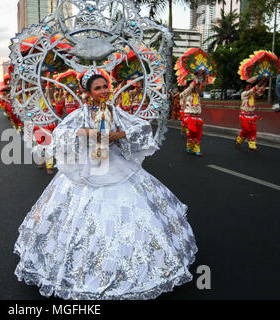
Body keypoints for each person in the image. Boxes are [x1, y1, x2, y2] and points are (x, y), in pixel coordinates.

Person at [14, 69, 197, 300]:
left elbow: (140, 128)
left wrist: (117, 136)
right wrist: (88, 132)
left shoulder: (114, 111)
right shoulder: (82, 113)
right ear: (88, 93)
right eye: (97, 88)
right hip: (88, 167)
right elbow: (61, 133)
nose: (103, 91)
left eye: (105, 86)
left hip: (114, 164)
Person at [236, 76, 267, 151]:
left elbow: (260, 91)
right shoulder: (244, 94)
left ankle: (252, 145)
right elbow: (254, 89)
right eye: (248, 87)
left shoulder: (253, 94)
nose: (249, 88)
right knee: (247, 129)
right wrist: (261, 81)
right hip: (244, 115)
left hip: (252, 116)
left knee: (253, 130)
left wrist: (265, 81)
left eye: (250, 87)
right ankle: (239, 139)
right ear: (245, 89)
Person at [180, 70, 206, 156]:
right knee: (192, 131)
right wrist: (198, 76)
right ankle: (189, 147)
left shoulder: (198, 94)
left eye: (197, 85)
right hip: (189, 116)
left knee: (198, 134)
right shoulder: (186, 93)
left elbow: (203, 86)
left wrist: (204, 76)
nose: (196, 86)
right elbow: (192, 86)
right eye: (195, 85)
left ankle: (196, 149)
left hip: (197, 117)